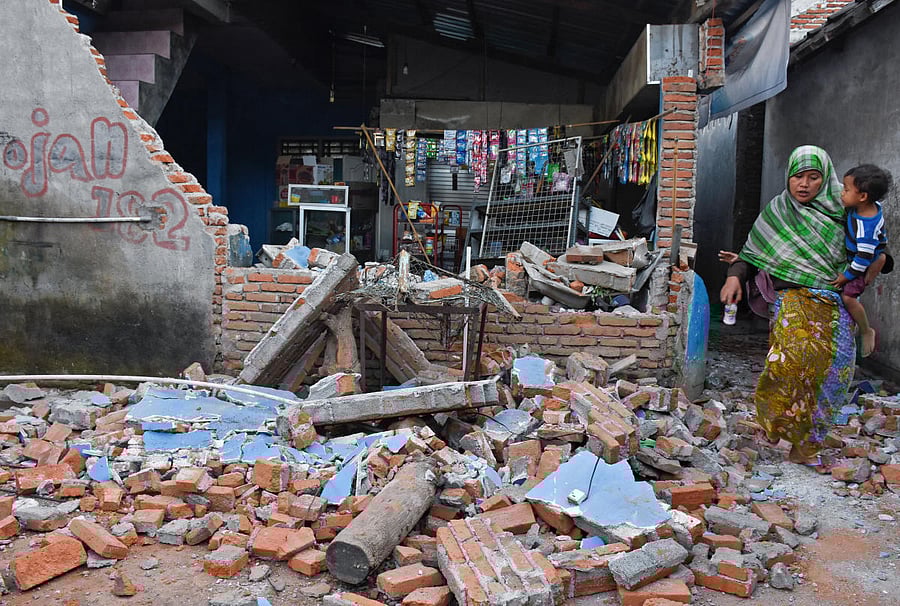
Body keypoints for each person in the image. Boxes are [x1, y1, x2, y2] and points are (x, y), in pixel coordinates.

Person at [719, 145, 886, 466]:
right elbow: (753, 254)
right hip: (793, 300)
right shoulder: (777, 211)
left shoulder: (846, 206)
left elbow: (877, 240)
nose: (804, 184)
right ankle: (776, 423)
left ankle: (808, 446)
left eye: (813, 177)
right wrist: (734, 276)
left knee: (833, 374)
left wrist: (879, 262)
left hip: (836, 304)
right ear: (789, 177)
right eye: (798, 176)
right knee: (787, 365)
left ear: (826, 179)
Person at [828, 164, 892, 357]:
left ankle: (865, 329)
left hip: (862, 261)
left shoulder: (865, 228)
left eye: (846, 190)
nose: (842, 193)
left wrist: (846, 277)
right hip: (872, 251)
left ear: (862, 197)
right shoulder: (868, 207)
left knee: (848, 297)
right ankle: (879, 258)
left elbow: (862, 259)